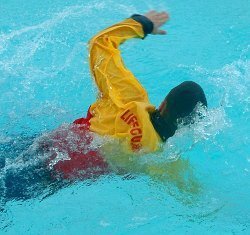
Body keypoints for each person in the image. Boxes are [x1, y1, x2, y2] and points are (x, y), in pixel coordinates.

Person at [48, 10, 207, 179]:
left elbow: (100, 43)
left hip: (50, 147)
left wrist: (142, 24)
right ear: (187, 127)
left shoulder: (129, 98)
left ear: (163, 104)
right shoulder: (160, 160)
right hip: (60, 180)